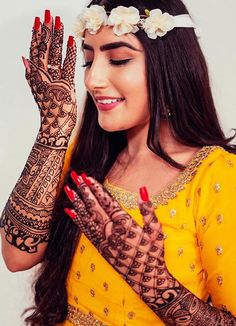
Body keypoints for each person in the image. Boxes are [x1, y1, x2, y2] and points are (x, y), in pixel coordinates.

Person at [1, 0, 236, 325]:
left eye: (119, 59)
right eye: (88, 61)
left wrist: (159, 289)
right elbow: (16, 256)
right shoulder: (85, 157)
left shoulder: (217, 176)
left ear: (169, 66)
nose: (92, 80)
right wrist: (53, 129)